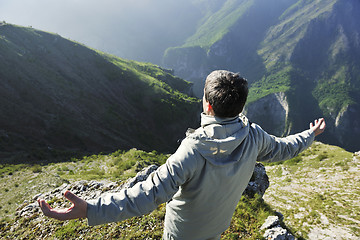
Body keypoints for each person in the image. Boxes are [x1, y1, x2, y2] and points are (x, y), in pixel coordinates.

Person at [38, 70, 326, 239]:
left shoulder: (193, 150)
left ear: (208, 106)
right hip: (216, 227)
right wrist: (309, 135)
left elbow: (146, 194)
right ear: (240, 107)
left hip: (182, 234)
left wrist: (91, 209)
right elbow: (286, 148)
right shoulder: (255, 137)